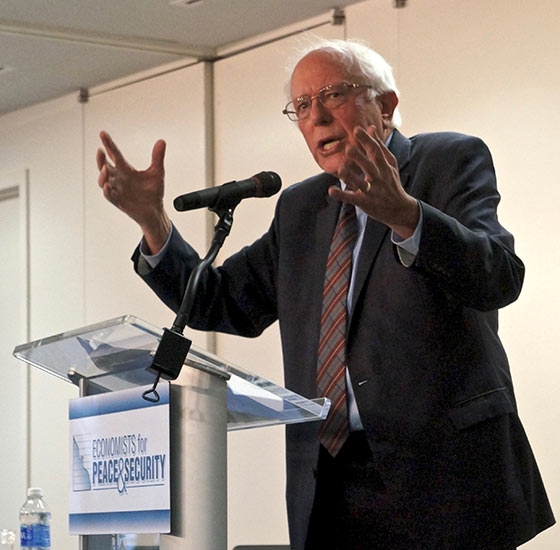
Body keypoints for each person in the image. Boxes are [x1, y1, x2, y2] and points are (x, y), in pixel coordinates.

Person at [97, 39, 554, 549]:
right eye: (302, 106)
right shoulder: (301, 208)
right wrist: (152, 221)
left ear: (386, 106)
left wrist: (406, 215)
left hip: (444, 478)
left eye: (333, 95)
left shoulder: (447, 160)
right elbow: (220, 300)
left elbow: (499, 276)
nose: (316, 117)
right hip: (329, 484)